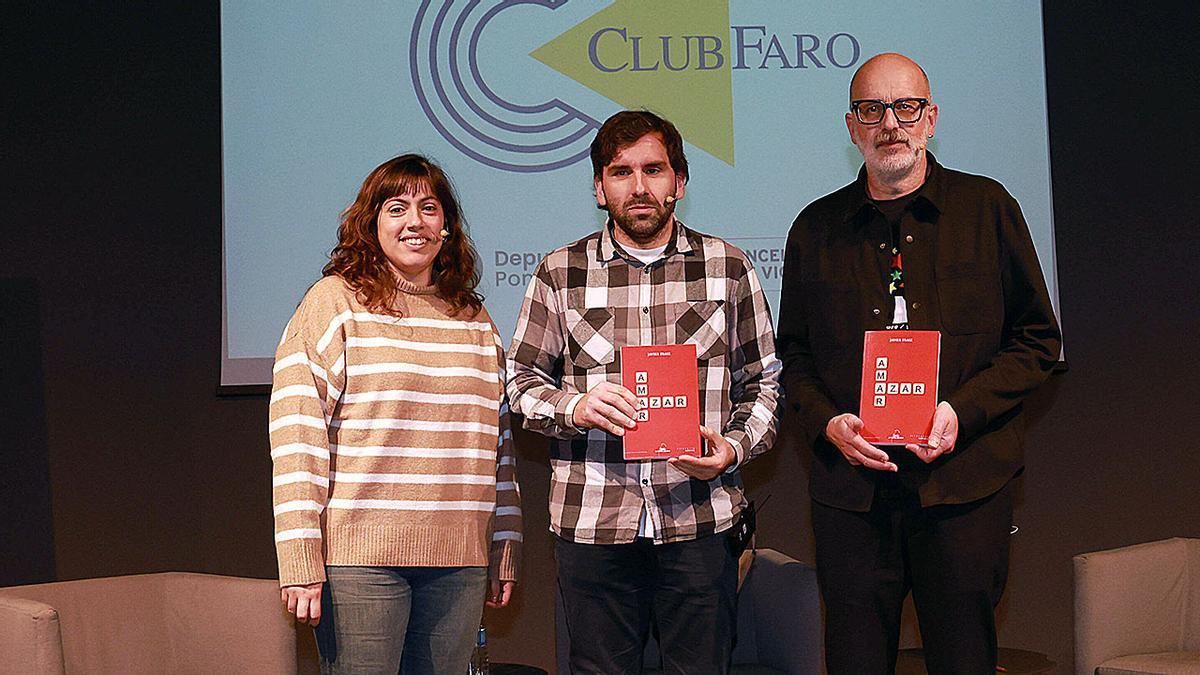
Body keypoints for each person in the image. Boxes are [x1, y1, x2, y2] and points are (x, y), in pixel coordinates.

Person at [777, 53, 1062, 674]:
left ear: (930, 119)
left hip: (963, 493)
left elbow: (1038, 340)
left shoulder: (988, 210)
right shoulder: (816, 228)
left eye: (905, 108)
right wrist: (828, 423)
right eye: (871, 110)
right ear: (851, 126)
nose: (890, 124)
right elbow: (792, 355)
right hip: (853, 501)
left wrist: (961, 411)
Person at [507, 110, 781, 674]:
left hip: (701, 519)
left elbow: (765, 381)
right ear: (599, 188)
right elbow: (520, 383)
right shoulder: (561, 272)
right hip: (594, 522)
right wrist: (575, 406)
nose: (639, 187)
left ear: (679, 181)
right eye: (620, 172)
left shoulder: (728, 268)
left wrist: (731, 448)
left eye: (654, 170)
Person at [268, 154, 522, 674]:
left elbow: (495, 442)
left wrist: (504, 542)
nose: (415, 222)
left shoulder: (473, 317)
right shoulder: (333, 303)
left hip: (459, 562)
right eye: (397, 208)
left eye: (429, 208)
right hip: (361, 562)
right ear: (371, 222)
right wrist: (299, 558)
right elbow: (296, 436)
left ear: (446, 227)